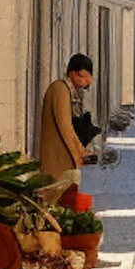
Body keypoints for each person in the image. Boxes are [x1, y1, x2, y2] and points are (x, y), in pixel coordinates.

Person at [38, 54, 94, 195]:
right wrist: (78, 154)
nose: (86, 81)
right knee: (56, 194)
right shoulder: (61, 89)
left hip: (63, 153)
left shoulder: (71, 92)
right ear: (73, 74)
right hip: (58, 154)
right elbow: (65, 127)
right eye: (82, 76)